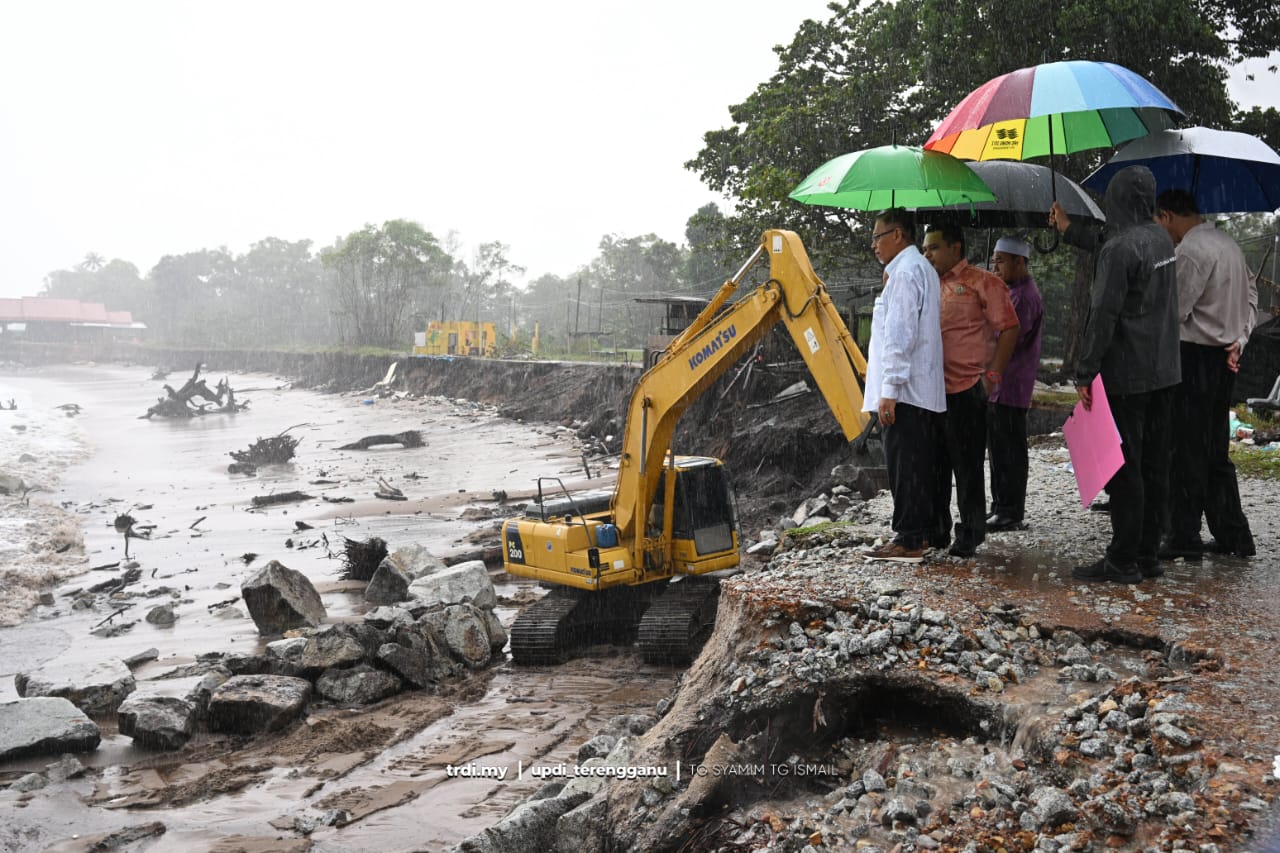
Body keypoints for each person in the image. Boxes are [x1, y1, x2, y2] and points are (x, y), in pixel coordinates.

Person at [1070, 166, 1181, 584]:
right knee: (1155, 465)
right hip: (1165, 371)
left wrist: (1086, 369)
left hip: (1128, 374)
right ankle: (1149, 553)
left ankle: (1121, 559)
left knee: (1125, 467)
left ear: (1114, 201)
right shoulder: (1160, 239)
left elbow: (1103, 314)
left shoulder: (1119, 249)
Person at [1155, 188, 1257, 559]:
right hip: (1223, 357)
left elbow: (1174, 309)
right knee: (1214, 449)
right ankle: (1234, 534)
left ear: (1166, 215)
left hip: (1194, 355)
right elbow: (1252, 296)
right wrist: (1240, 338)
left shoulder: (1191, 251)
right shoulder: (1229, 245)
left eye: (1158, 222)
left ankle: (1184, 536)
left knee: (1185, 449)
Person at [921, 222, 1020, 558]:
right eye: (925, 248)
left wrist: (991, 376)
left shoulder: (983, 283)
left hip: (967, 388)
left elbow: (1009, 328)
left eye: (934, 247)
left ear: (955, 248)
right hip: (931, 389)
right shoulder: (927, 282)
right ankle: (936, 530)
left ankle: (971, 532)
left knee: (967, 464)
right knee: (934, 464)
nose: (927, 254)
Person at [862, 209, 946, 564]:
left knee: (904, 464)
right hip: (923, 390)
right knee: (924, 464)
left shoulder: (905, 274)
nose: (874, 245)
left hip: (906, 390)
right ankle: (929, 530)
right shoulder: (921, 269)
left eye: (879, 237)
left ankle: (909, 537)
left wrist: (890, 390)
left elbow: (899, 337)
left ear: (898, 235)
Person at [986, 236, 1044, 532]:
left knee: (1009, 449)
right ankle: (1000, 505)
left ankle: (1010, 509)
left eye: (1001, 260)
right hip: (1002, 385)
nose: (996, 266)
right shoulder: (1011, 292)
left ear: (1019, 262)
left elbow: (1007, 338)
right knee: (998, 448)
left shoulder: (1023, 297)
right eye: (994, 259)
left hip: (1011, 383)